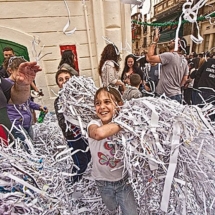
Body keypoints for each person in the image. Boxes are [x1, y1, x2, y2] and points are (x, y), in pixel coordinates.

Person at [87, 87, 138, 215]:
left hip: (123, 182)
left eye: (107, 102)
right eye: (98, 103)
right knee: (112, 209)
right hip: (103, 182)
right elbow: (98, 133)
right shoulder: (93, 124)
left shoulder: (127, 130)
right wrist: (124, 122)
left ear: (118, 105)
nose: (102, 107)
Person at [54, 69, 91, 183]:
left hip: (85, 135)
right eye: (61, 80)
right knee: (80, 163)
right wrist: (69, 133)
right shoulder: (59, 100)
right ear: (58, 84)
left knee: (88, 158)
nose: (64, 81)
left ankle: (82, 180)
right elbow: (61, 121)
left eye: (67, 78)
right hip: (73, 137)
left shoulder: (80, 96)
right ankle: (73, 182)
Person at [6, 57, 47, 140]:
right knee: (26, 146)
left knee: (32, 143)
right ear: (10, 70)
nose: (22, 74)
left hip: (27, 121)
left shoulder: (24, 83)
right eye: (19, 71)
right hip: (16, 124)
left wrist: (39, 107)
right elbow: (13, 99)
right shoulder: (6, 84)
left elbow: (27, 102)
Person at [0, 61, 41, 144]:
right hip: (16, 123)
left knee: (30, 146)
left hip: (11, 138)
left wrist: (23, 85)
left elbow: (16, 98)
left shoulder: (2, 82)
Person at [146, 28, 188, 103]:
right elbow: (185, 79)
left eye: (173, 41)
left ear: (178, 45)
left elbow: (149, 58)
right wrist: (176, 87)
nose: (170, 41)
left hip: (165, 96)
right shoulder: (184, 60)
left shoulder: (170, 56)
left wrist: (154, 41)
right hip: (177, 95)